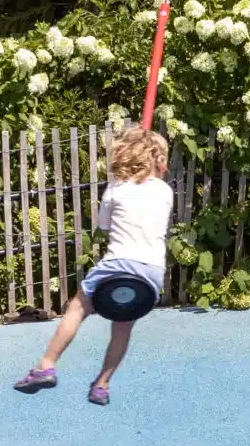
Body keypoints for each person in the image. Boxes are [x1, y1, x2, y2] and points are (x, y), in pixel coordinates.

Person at [15, 125, 173, 407]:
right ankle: (102, 384)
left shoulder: (115, 189)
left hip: (117, 263)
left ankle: (46, 364)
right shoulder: (164, 192)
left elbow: (103, 226)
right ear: (159, 162)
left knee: (77, 308)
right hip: (150, 274)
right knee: (122, 328)